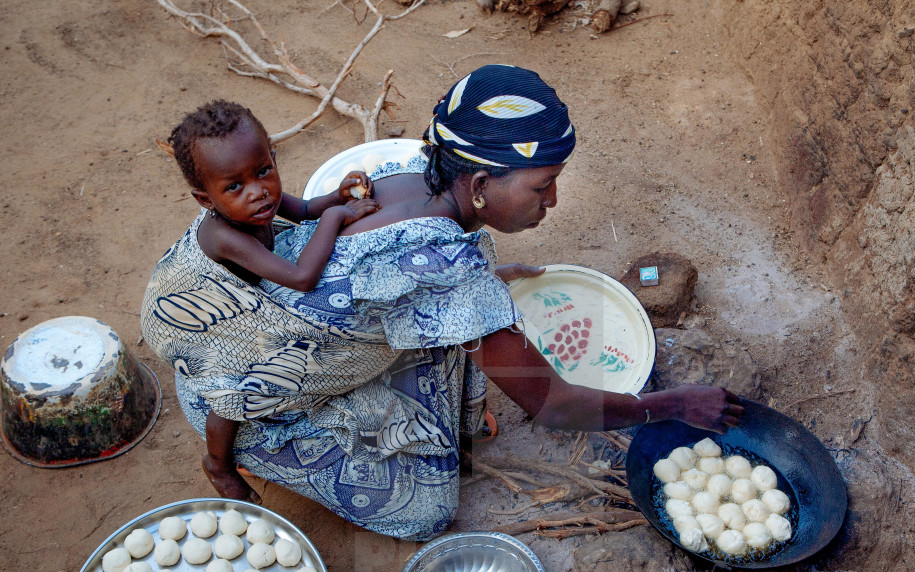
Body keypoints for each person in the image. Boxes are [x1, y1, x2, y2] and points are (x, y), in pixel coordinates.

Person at [141, 66, 742, 541]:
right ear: (478, 187)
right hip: (247, 394)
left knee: (455, 340)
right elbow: (554, 405)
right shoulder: (452, 279)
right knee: (425, 511)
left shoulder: (406, 172)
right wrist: (674, 405)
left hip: (275, 336)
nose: (553, 200)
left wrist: (487, 277)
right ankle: (241, 457)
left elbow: (390, 267)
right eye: (541, 185)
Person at [162, 100, 381, 502]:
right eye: (234, 187)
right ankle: (219, 464)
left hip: (240, 300)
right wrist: (337, 218)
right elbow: (302, 278)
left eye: (263, 171)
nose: (257, 192)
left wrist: (337, 195)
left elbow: (306, 210)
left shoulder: (261, 197)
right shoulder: (225, 236)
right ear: (205, 199)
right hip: (202, 316)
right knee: (232, 388)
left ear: (272, 158)